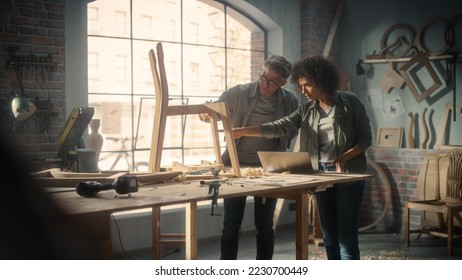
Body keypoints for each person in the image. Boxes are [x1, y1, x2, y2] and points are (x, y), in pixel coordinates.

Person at [232, 55, 373, 260]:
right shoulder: (306, 110)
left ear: (321, 81)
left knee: (347, 240)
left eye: (306, 85)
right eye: (300, 86)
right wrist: (245, 131)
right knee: (330, 237)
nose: (302, 91)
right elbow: (280, 126)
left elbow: (366, 137)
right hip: (320, 175)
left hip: (349, 174)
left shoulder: (350, 101)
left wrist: (345, 157)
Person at [200, 55, 300, 260]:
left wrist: (283, 145)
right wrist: (207, 114)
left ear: (283, 82)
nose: (264, 82)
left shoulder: (289, 101)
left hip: (269, 168)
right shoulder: (238, 93)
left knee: (264, 225)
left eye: (271, 81)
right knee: (231, 224)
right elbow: (213, 112)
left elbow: (291, 128)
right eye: (263, 76)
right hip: (236, 166)